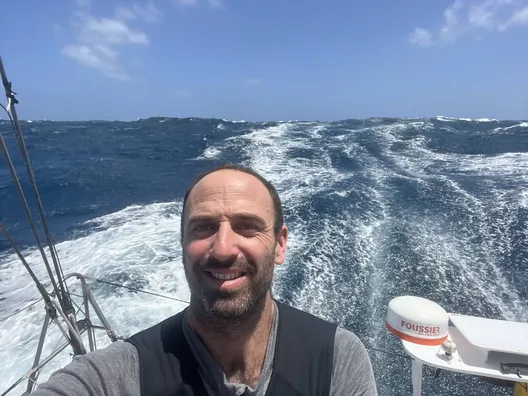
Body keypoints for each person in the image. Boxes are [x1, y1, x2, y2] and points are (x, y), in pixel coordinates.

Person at [32, 164, 378, 396]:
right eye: (204, 227)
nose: (224, 248)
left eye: (247, 226)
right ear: (182, 243)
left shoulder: (336, 358)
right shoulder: (119, 375)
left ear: (279, 244)